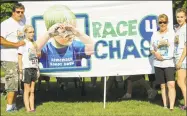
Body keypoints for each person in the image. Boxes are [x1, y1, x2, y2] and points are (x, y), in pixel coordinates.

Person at [36, 5, 95, 71]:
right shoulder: (46, 49)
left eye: (70, 30)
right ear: (53, 32)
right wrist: (48, 34)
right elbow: (32, 51)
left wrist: (77, 33)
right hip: (53, 80)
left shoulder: (75, 46)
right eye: (64, 31)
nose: (69, 34)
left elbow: (93, 48)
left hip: (73, 80)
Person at [0, 3, 25, 112]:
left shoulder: (22, 23)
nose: (20, 14)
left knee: (17, 82)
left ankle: (14, 104)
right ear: (13, 12)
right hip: (9, 57)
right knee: (12, 82)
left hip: (20, 58)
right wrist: (16, 44)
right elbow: (1, 40)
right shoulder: (5, 24)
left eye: (22, 12)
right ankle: (9, 107)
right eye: (18, 12)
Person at [150, 14, 176, 111]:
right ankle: (165, 105)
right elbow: (151, 48)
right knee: (162, 85)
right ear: (158, 23)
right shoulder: (155, 34)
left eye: (164, 22)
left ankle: (172, 107)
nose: (162, 24)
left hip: (169, 62)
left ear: (167, 22)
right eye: (160, 22)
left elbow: (177, 46)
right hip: (158, 63)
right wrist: (155, 53)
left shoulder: (172, 34)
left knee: (171, 84)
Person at [18, 25, 40, 112]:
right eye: (30, 32)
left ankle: (32, 108)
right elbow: (19, 57)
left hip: (34, 67)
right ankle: (28, 109)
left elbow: (37, 56)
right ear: (25, 33)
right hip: (26, 68)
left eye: (33, 32)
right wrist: (20, 70)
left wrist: (38, 68)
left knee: (32, 90)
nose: (32, 34)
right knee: (27, 90)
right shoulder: (23, 43)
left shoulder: (34, 43)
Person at [174, 8, 187, 110]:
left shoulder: (185, 28)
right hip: (178, 57)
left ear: (185, 17)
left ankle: (186, 105)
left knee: (180, 82)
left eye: (181, 17)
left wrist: (180, 61)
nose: (179, 18)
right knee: (184, 82)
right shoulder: (178, 28)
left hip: (183, 59)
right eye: (178, 17)